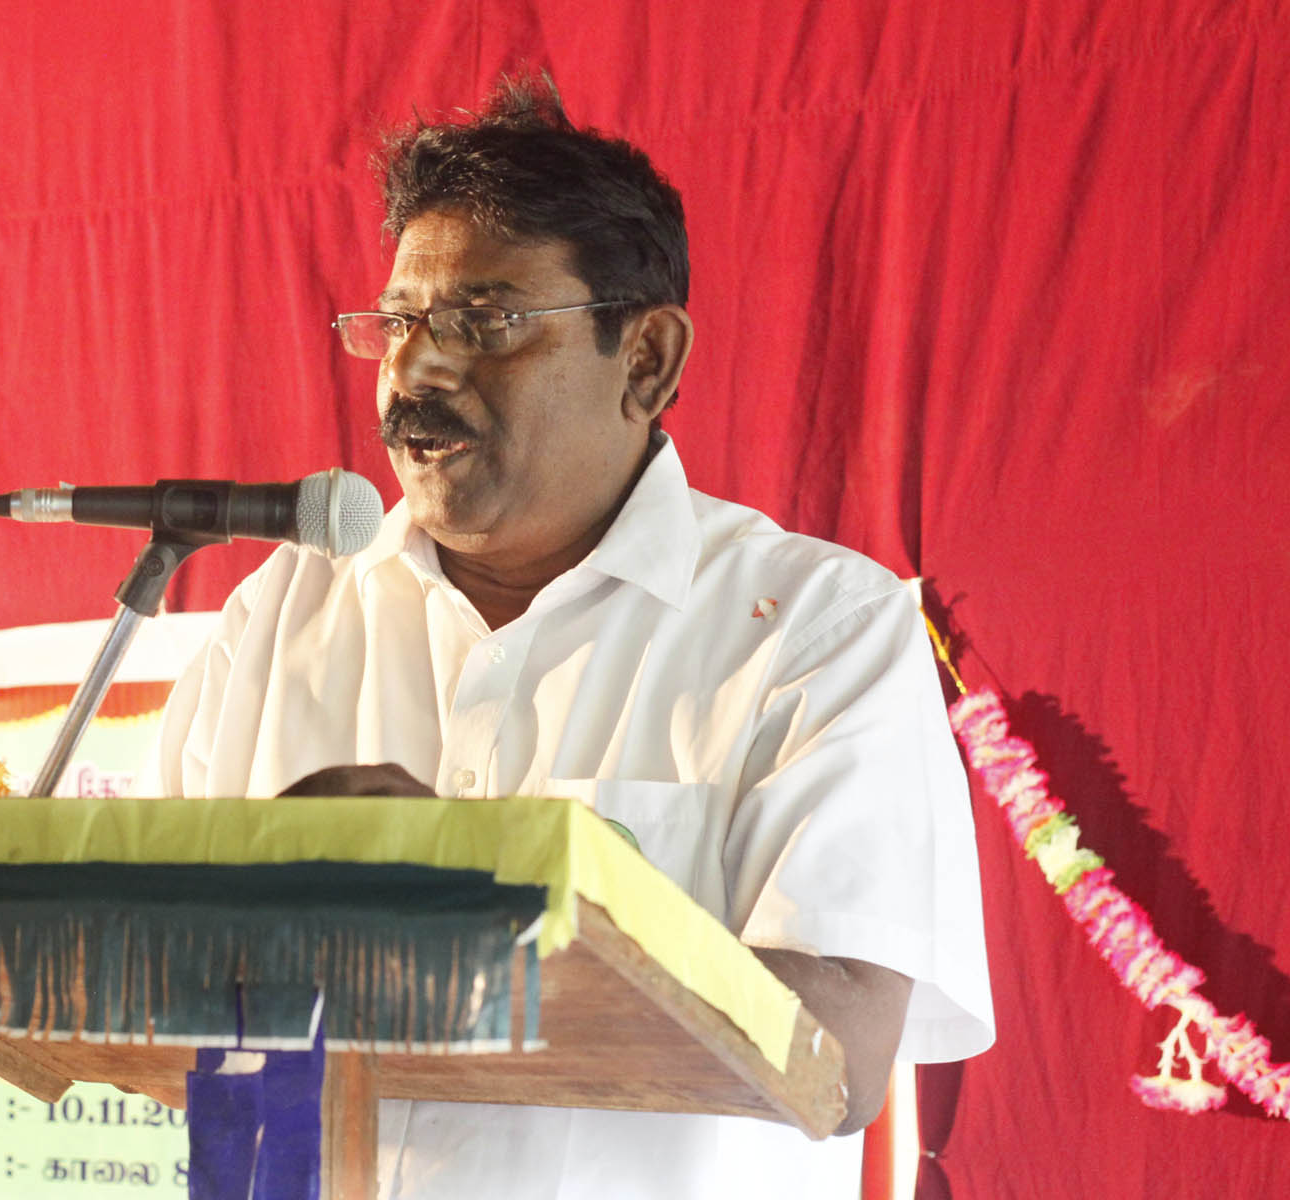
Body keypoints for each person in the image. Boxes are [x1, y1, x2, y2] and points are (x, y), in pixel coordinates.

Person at [156, 76, 993, 1198]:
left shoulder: (817, 629)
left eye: (485, 322)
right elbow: (153, 996)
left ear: (646, 359)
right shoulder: (280, 616)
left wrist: (490, 902)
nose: (417, 370)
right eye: (398, 324)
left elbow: (838, 1060)